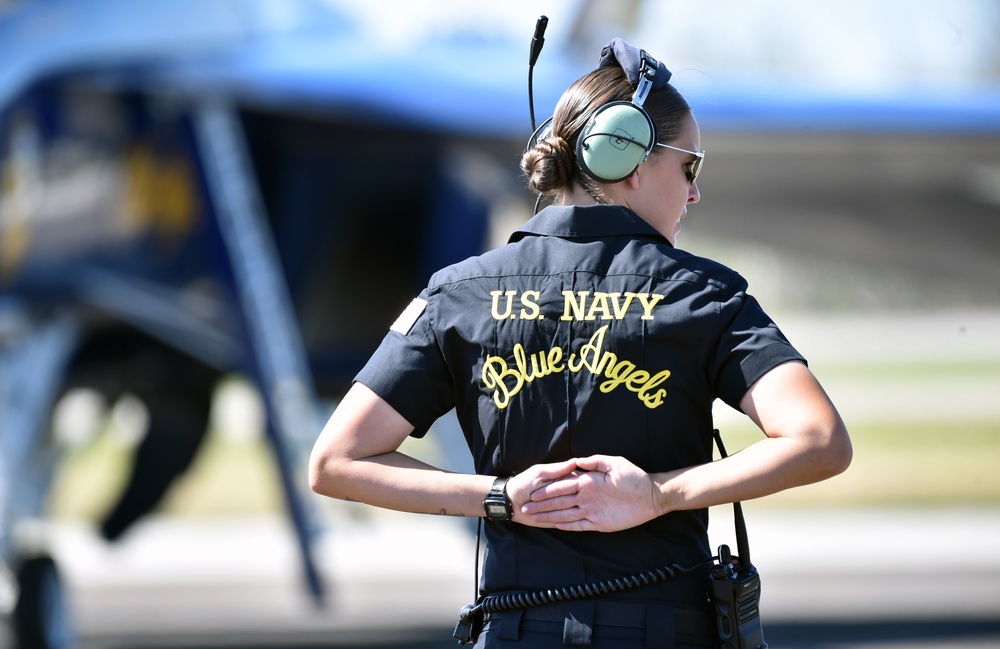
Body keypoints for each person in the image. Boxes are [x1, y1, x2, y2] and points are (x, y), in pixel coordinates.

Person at [309, 37, 852, 649]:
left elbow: (337, 462)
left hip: (515, 631)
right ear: (631, 159)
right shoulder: (704, 293)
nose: (694, 192)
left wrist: (501, 499)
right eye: (689, 166)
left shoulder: (457, 295)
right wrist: (659, 493)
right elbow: (820, 441)